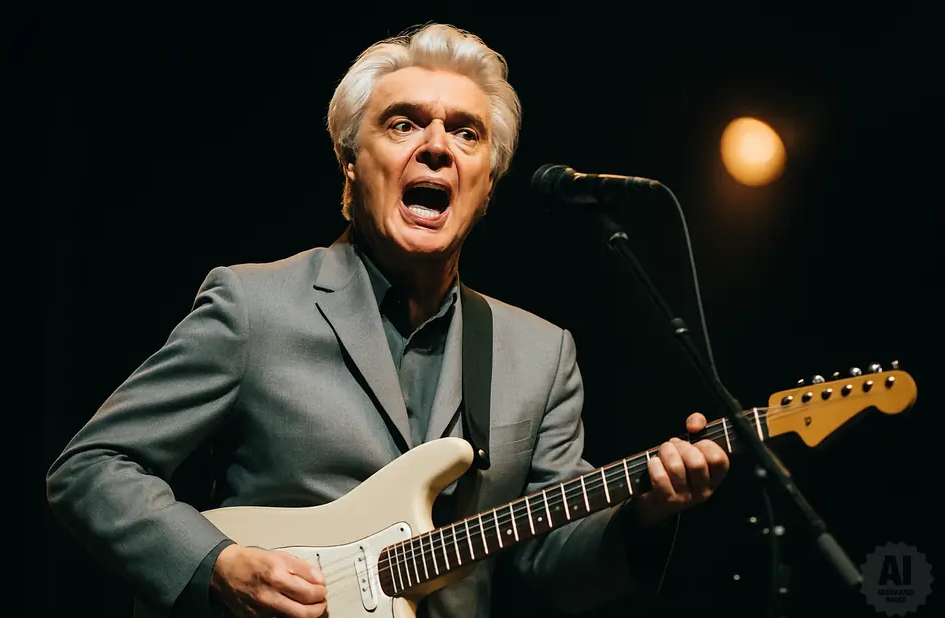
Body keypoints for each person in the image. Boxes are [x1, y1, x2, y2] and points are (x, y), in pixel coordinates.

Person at [47, 22, 730, 618]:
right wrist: (217, 565)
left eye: (466, 133)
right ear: (350, 165)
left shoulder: (540, 354)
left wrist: (648, 512)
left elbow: (556, 566)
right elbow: (92, 467)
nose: (437, 146)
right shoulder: (254, 306)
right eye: (404, 123)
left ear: (486, 185)